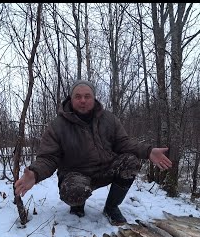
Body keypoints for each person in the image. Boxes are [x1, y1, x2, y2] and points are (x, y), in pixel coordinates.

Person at [14, 80, 172, 226]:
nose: (83, 100)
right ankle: (77, 205)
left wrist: (148, 151)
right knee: (73, 192)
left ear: (94, 98)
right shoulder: (57, 126)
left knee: (131, 161)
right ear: (71, 99)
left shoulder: (109, 119)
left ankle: (111, 208)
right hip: (76, 174)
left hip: (105, 170)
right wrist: (35, 173)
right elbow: (48, 158)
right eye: (78, 96)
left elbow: (123, 143)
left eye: (87, 96)